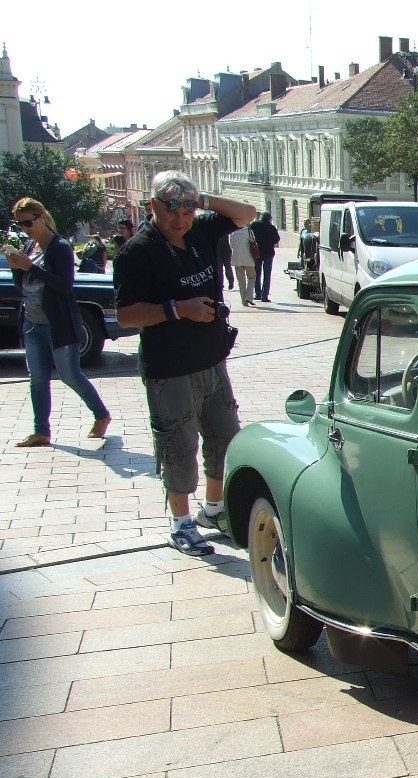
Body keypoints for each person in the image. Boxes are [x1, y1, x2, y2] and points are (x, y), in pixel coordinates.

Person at [114, 170, 257, 557]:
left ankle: (214, 509)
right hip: (170, 368)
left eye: (187, 212)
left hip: (211, 360)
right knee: (178, 445)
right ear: (153, 207)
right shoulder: (138, 251)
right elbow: (126, 314)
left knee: (224, 437)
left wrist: (203, 200)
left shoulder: (200, 229)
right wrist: (179, 309)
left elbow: (249, 212)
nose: (180, 221)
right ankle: (180, 524)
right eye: (171, 212)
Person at [5, 197, 112, 449]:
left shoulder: (60, 247)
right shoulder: (31, 246)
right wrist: (17, 267)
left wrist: (30, 266)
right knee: (38, 379)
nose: (25, 228)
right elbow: (22, 287)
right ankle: (41, 431)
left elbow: (64, 285)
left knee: (69, 375)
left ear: (42, 217)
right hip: (32, 323)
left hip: (59, 324)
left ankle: (101, 414)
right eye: (20, 224)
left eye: (29, 222)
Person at [249, 210, 279, 300]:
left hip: (257, 253)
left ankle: (257, 294)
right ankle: (264, 295)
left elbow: (249, 236)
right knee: (267, 274)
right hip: (268, 253)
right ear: (269, 218)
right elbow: (276, 240)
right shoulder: (271, 227)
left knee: (257, 274)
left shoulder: (254, 225)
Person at [229, 223, 257, 306]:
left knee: (241, 281)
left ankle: (244, 302)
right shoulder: (248, 231)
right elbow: (253, 241)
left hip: (236, 259)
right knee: (252, 277)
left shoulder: (232, 232)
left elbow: (232, 245)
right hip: (248, 258)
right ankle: (249, 296)